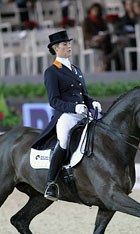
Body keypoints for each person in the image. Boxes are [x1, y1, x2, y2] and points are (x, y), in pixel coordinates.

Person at [32, 30, 102, 201]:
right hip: (66, 116)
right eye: (65, 44)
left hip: (83, 113)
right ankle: (51, 183)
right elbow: (54, 101)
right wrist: (74, 107)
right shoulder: (52, 71)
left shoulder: (76, 69)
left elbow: (84, 95)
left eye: (69, 43)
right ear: (56, 48)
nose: (69, 46)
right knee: (63, 140)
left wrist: (92, 102)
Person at [82, 2, 112, 71]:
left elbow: (106, 30)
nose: (96, 12)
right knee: (103, 44)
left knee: (108, 42)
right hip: (91, 41)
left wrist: (103, 35)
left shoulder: (101, 21)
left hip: (102, 41)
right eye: (94, 10)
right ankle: (103, 66)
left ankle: (105, 65)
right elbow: (85, 34)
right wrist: (95, 37)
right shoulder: (86, 21)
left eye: (97, 10)